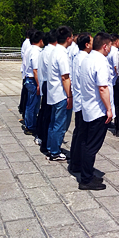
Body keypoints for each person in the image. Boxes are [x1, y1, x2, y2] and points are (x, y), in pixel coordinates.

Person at [77, 32, 113, 190]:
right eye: (110, 46)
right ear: (105, 46)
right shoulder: (101, 61)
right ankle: (86, 179)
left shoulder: (87, 59)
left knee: (87, 143)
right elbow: (103, 87)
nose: (110, 49)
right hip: (98, 109)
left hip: (87, 106)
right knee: (92, 146)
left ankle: (87, 173)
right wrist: (109, 109)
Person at [46, 25, 73, 161]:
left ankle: (51, 147)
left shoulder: (54, 51)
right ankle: (55, 151)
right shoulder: (62, 54)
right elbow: (65, 77)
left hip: (53, 92)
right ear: (68, 38)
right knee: (60, 124)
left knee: (53, 123)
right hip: (61, 94)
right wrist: (69, 95)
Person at [68, 33, 92, 176]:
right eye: (91, 41)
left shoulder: (78, 57)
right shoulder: (85, 59)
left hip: (78, 98)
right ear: (87, 44)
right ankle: (77, 164)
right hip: (83, 100)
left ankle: (75, 161)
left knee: (78, 133)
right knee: (82, 134)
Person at [36, 30, 56, 152]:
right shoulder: (51, 52)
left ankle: (42, 137)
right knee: (48, 115)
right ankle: (45, 141)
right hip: (50, 85)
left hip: (45, 84)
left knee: (44, 113)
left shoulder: (44, 51)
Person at [23, 30, 44, 136]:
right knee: (32, 105)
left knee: (30, 104)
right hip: (33, 80)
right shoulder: (36, 51)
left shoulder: (29, 49)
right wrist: (39, 84)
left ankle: (30, 124)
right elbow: (35, 70)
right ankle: (30, 126)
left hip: (29, 79)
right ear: (40, 40)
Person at [18, 29, 35, 120]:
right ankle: (26, 116)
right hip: (29, 74)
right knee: (28, 98)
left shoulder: (26, 43)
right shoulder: (29, 45)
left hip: (26, 72)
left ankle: (22, 108)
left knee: (25, 95)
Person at [107, 34, 119, 129]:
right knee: (112, 101)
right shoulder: (115, 51)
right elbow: (116, 66)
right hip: (112, 79)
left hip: (109, 78)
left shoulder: (108, 50)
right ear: (116, 41)